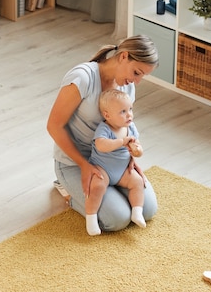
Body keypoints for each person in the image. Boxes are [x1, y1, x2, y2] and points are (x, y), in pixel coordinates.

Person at [47, 35, 159, 233]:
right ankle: (69, 193)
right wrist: (84, 165)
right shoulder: (82, 78)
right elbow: (54, 126)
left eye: (142, 76)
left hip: (113, 162)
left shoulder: (127, 85)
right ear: (123, 56)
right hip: (75, 162)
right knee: (117, 220)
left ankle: (111, 191)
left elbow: (125, 124)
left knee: (148, 209)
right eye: (136, 72)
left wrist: (129, 157)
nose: (137, 81)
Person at [86, 89, 146, 235]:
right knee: (97, 186)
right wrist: (121, 142)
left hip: (123, 171)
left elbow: (138, 147)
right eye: (123, 111)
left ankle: (137, 212)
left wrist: (137, 151)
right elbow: (101, 145)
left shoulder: (130, 127)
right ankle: (91, 218)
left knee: (137, 182)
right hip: (103, 168)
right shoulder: (104, 128)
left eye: (130, 109)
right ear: (107, 115)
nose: (129, 114)